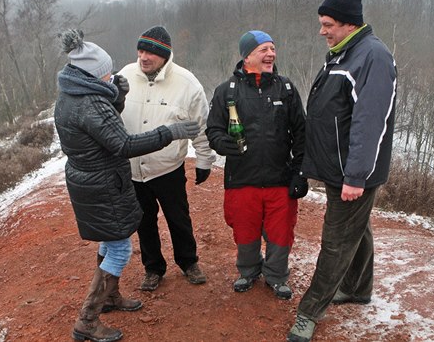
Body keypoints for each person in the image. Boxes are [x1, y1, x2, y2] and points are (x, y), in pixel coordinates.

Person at [54, 29, 200, 342]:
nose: (111, 74)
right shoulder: (90, 104)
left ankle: (109, 297)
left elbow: (101, 133)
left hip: (89, 180)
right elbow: (122, 144)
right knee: (120, 248)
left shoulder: (71, 94)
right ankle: (87, 321)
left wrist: (114, 98)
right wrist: (170, 132)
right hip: (104, 182)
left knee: (110, 240)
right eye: (105, 72)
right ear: (92, 74)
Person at [286, 0, 397, 341]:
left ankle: (309, 311)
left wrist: (356, 175)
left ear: (349, 23)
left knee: (336, 241)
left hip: (353, 171)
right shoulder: (344, 53)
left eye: (328, 24)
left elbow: (369, 121)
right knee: (355, 228)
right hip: (340, 167)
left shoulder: (373, 57)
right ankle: (359, 288)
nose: (322, 31)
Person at [206, 30, 307, 300]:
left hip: (279, 178)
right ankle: (248, 271)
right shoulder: (226, 90)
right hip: (242, 177)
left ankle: (276, 275)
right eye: (264, 49)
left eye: (273, 48)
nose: (271, 54)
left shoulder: (286, 88)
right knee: (245, 228)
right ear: (247, 55)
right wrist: (221, 143)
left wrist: (300, 171)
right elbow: (213, 129)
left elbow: (301, 132)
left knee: (280, 231)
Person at [116, 26, 215, 291]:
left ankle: (188, 261)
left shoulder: (187, 84)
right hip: (132, 169)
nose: (144, 57)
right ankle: (153, 268)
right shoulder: (124, 76)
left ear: (165, 55)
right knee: (143, 221)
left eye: (151, 52)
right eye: (141, 50)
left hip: (167, 168)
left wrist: (204, 159)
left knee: (178, 218)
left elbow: (201, 126)